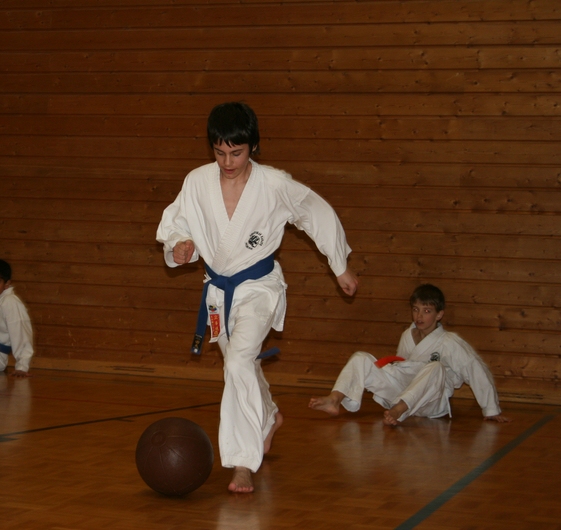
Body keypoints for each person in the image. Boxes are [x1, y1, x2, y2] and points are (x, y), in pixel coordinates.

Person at [156, 102, 358, 493]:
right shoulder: (197, 181)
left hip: (259, 288)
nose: (227, 162)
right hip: (218, 292)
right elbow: (176, 223)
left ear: (253, 146)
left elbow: (316, 213)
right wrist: (180, 245)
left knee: (237, 363)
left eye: (236, 152)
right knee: (240, 365)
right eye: (219, 152)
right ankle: (268, 416)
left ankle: (243, 463)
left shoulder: (274, 184)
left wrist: (340, 265)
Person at [309, 284, 511, 425]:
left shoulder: (450, 342)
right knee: (361, 357)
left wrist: (491, 410)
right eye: (416, 309)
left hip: (431, 402)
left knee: (435, 367)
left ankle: (399, 410)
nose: (419, 316)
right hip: (403, 391)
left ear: (439, 314)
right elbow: (402, 367)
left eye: (427, 311)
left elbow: (475, 370)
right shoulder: (408, 335)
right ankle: (335, 399)